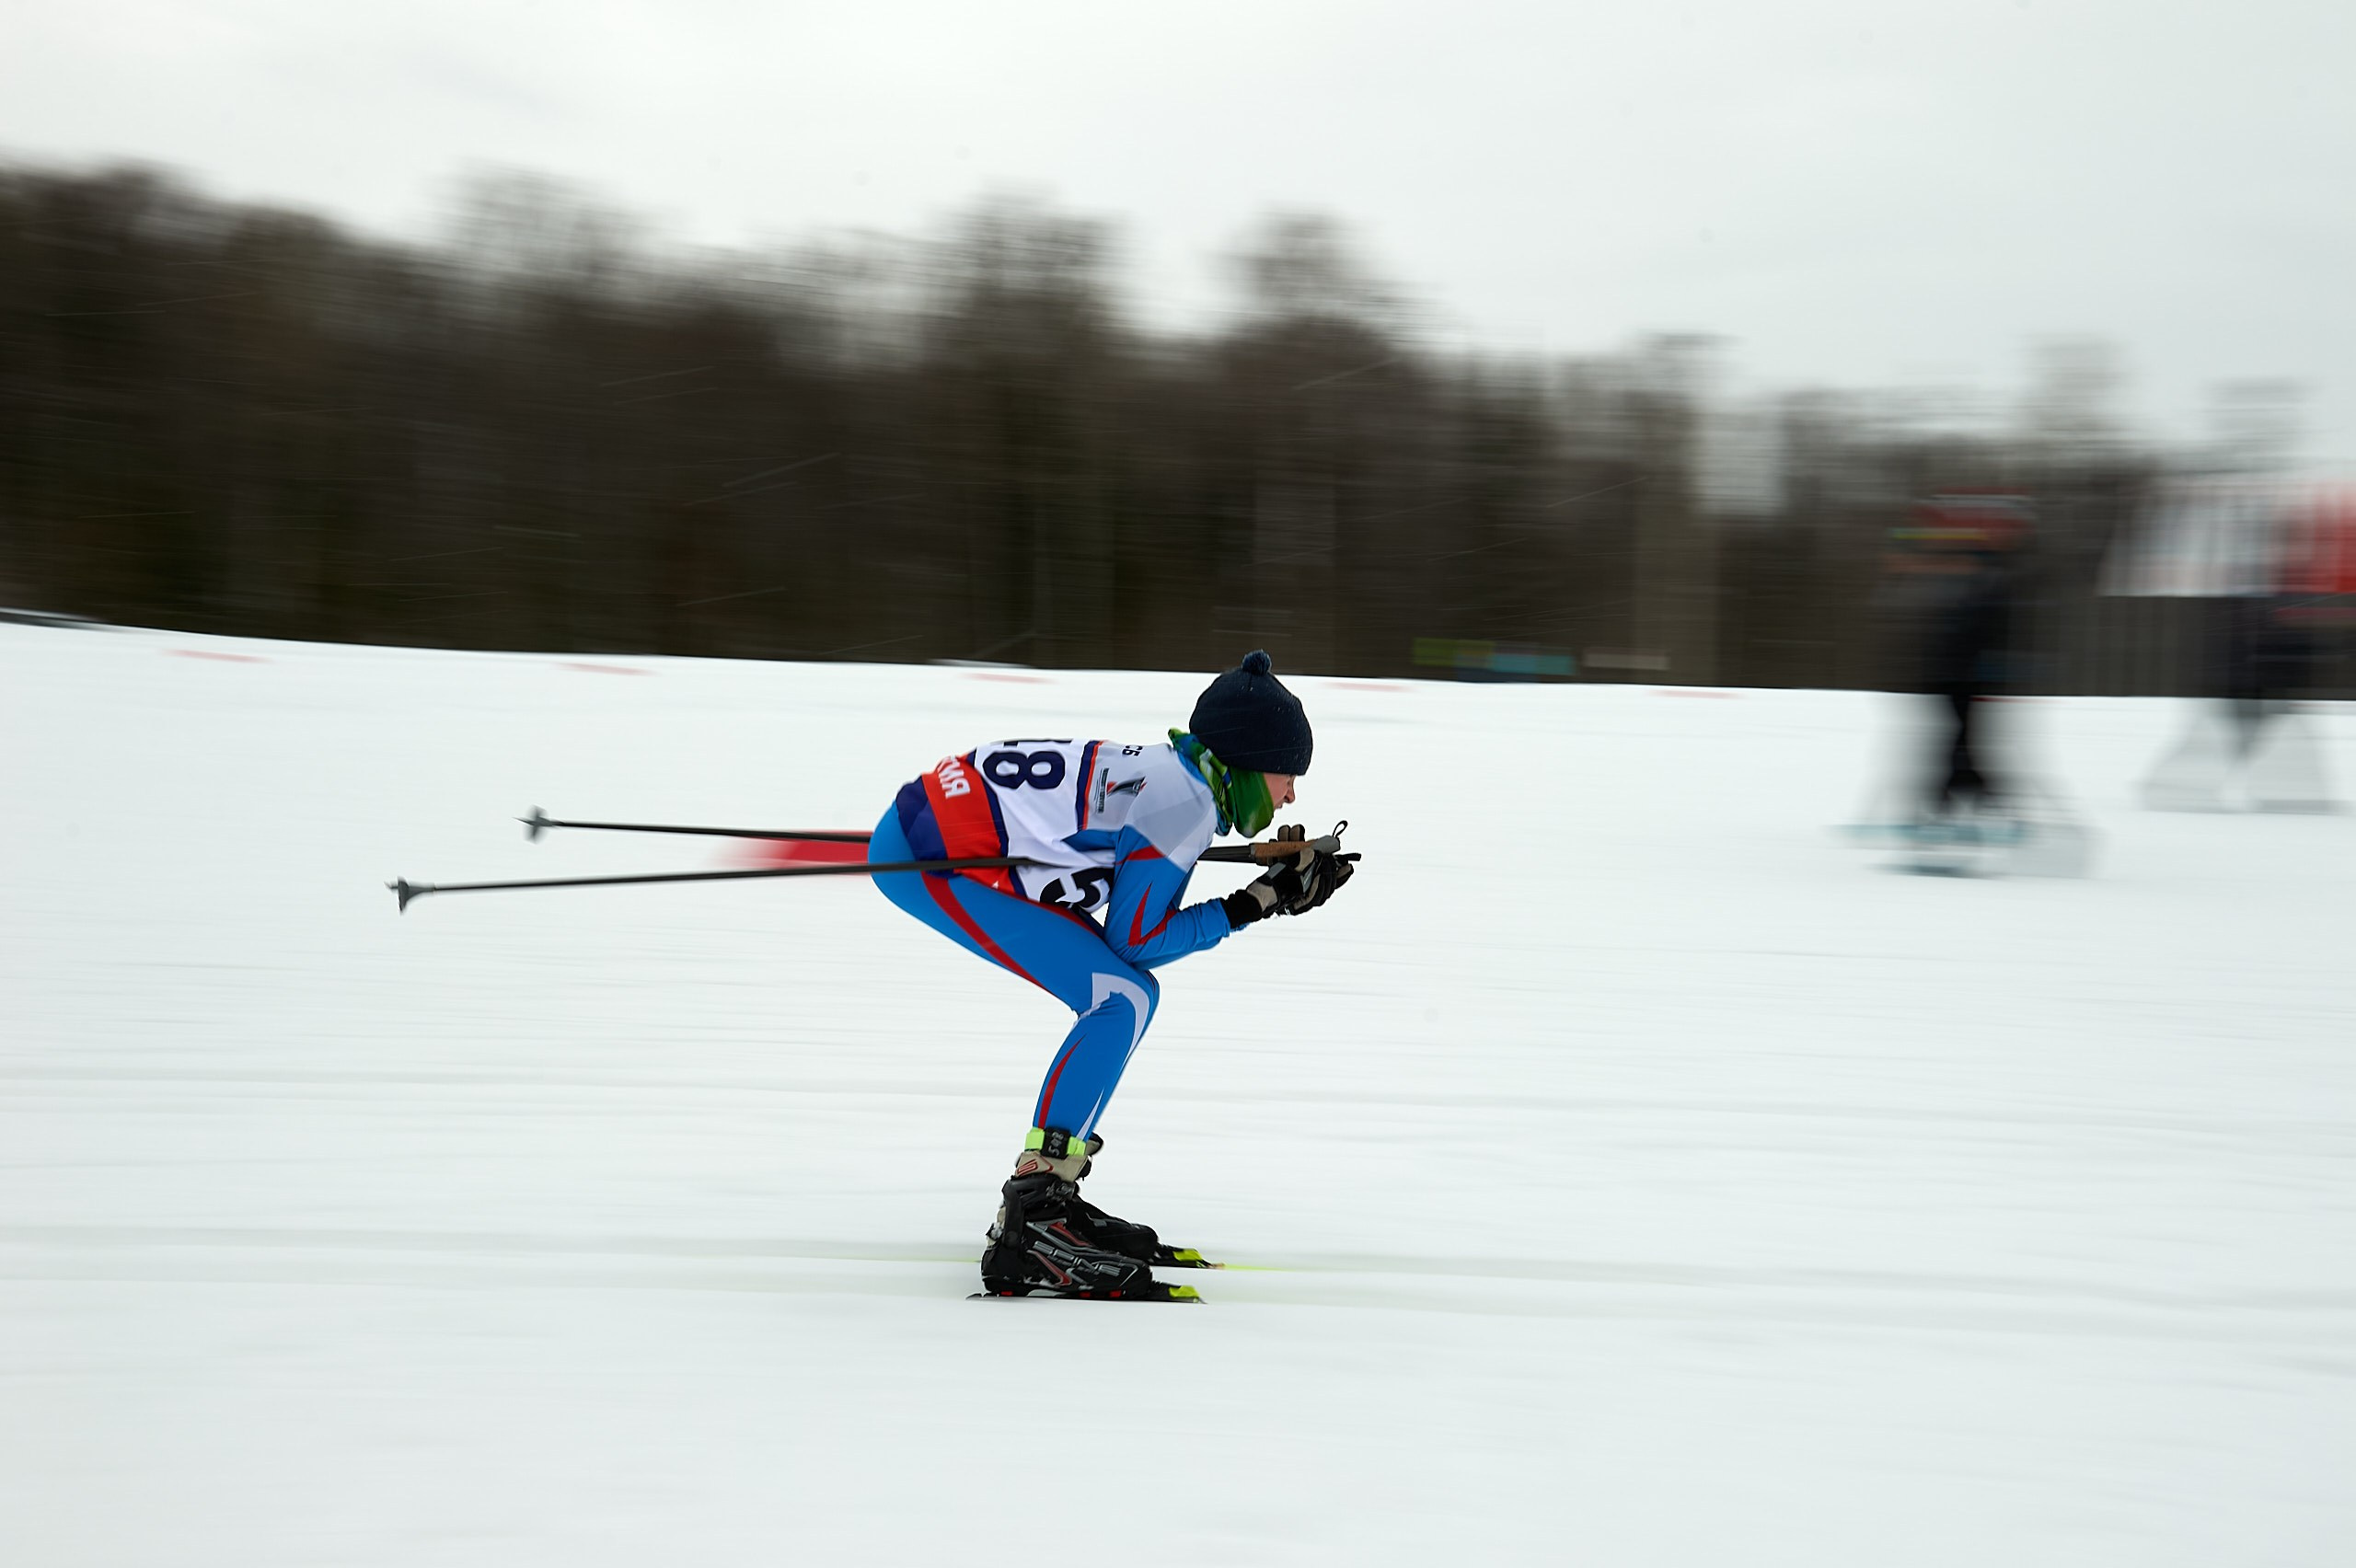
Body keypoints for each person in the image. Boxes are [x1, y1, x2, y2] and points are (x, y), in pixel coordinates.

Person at [866, 651, 1354, 1300]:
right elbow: (1139, 936)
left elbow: (1132, 866)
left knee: (1129, 995)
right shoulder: (1181, 805)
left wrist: (1260, 881)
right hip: (930, 858)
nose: (1291, 792)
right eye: (1286, 774)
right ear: (1245, 759)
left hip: (931, 826)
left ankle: (1050, 1192)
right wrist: (1255, 903)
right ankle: (1034, 1212)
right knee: (1121, 997)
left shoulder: (1178, 779)